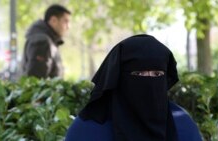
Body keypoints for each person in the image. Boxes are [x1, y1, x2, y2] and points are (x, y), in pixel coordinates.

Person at [65, 34, 202, 141]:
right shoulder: (87, 129)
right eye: (139, 73)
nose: (149, 81)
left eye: (157, 74)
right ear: (118, 77)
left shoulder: (182, 124)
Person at [21, 4, 71, 78]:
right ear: (54, 20)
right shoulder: (41, 41)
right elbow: (36, 81)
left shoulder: (48, 41)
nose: (68, 26)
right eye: (65, 21)